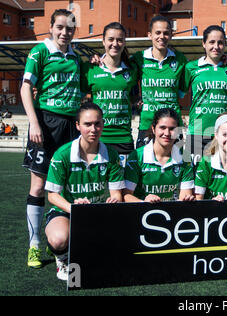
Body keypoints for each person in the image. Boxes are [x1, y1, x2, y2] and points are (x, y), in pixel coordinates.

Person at [20, 9, 82, 269]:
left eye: (69, 28)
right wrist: (34, 122)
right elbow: (25, 87)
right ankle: (34, 246)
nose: (64, 32)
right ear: (51, 27)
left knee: (68, 185)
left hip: (71, 127)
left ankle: (63, 236)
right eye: (59, 27)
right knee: (38, 186)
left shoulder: (76, 58)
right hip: (46, 123)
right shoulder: (40, 51)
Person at [44, 103, 125, 281]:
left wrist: (113, 201)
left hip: (97, 212)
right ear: (78, 126)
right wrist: (73, 207)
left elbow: (117, 194)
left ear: (103, 124)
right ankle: (62, 258)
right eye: (87, 124)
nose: (93, 129)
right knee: (59, 239)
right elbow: (52, 195)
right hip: (65, 212)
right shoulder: (62, 154)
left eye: (97, 124)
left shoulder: (111, 155)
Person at [182, 25, 227, 166]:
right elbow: (177, 95)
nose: (216, 46)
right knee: (193, 179)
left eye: (220, 42)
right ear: (204, 43)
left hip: (225, 133)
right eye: (212, 42)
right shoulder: (191, 67)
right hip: (198, 131)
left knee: (222, 178)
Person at [82, 22, 139, 166]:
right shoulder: (90, 69)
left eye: (120, 40)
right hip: (97, 138)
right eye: (111, 39)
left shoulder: (132, 70)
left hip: (123, 138)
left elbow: (134, 97)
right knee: (96, 186)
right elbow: (78, 97)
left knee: (123, 187)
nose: (115, 43)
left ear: (124, 42)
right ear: (103, 41)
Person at [131, 15, 188, 148]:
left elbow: (181, 93)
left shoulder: (180, 60)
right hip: (147, 124)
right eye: (158, 33)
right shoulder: (139, 58)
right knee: (144, 166)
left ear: (171, 35)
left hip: (173, 124)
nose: (161, 36)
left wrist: (224, 59)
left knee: (177, 166)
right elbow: (120, 70)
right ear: (149, 35)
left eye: (166, 33)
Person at [123, 108, 195, 203]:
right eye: (162, 128)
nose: (167, 133)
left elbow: (185, 194)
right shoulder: (137, 156)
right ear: (153, 129)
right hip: (140, 213)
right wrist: (144, 202)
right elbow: (126, 195)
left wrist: (186, 200)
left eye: (172, 129)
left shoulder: (185, 158)